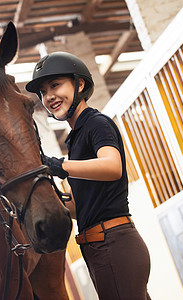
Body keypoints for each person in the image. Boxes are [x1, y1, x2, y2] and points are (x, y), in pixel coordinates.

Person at [26, 52, 151, 300]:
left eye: (55, 85)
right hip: (99, 246)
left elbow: (112, 166)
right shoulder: (76, 138)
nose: (48, 96)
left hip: (113, 243)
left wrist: (60, 165)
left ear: (79, 84)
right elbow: (76, 208)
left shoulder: (96, 123)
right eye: (43, 91)